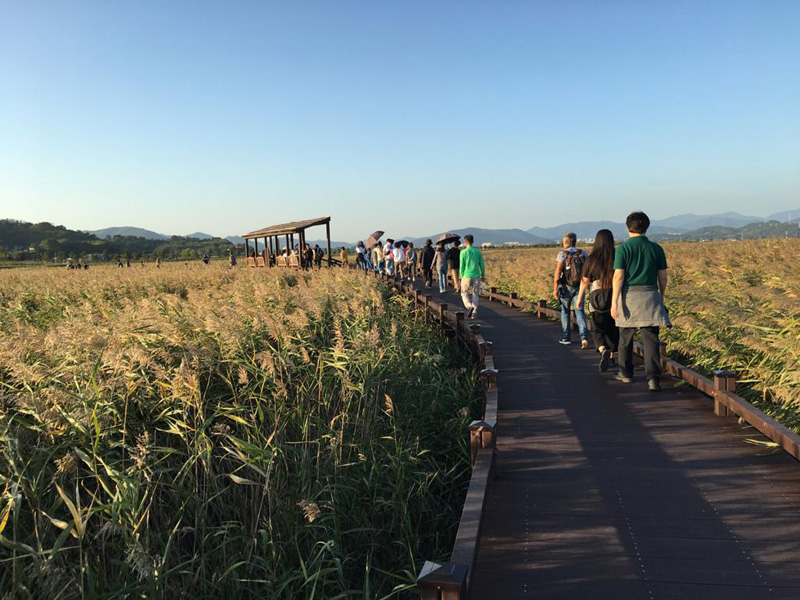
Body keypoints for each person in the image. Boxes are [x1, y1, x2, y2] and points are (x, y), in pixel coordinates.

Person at [611, 211, 671, 392]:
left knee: (625, 338)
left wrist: (614, 301)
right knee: (651, 339)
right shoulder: (656, 249)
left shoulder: (622, 249)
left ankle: (626, 374)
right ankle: (653, 379)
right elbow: (663, 276)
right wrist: (661, 296)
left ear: (628, 227)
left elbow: (618, 276)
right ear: (647, 227)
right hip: (650, 295)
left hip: (629, 296)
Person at [576, 229, 619, 371]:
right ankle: (612, 356)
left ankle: (602, 349)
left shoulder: (592, 258)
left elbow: (584, 280)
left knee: (596, 327)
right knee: (613, 327)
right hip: (614, 298)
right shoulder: (616, 256)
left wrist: (580, 298)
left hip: (596, 298)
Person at [553, 232, 589, 348]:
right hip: (580, 286)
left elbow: (558, 272)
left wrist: (555, 288)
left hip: (566, 286)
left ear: (566, 242)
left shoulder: (562, 254)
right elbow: (587, 271)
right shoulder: (583, 253)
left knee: (565, 311)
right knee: (580, 311)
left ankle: (566, 337)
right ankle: (583, 337)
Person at [459, 234, 485, 320]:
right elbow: (482, 265)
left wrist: (462, 276)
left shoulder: (463, 252)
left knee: (464, 293)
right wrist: (483, 276)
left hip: (466, 275)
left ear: (466, 242)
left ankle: (469, 306)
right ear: (473, 241)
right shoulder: (478, 252)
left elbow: (462, 266)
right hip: (476, 275)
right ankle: (474, 313)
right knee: (475, 294)